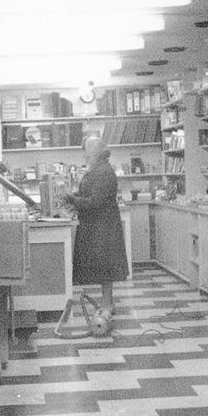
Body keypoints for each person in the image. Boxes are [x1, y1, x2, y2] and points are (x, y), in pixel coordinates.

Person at [64, 133, 128, 313]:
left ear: (99, 152)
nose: (85, 155)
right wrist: (75, 197)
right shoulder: (98, 169)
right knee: (102, 266)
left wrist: (72, 200)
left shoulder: (103, 172)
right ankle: (108, 302)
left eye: (88, 151)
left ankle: (107, 303)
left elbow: (95, 202)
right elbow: (89, 196)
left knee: (105, 266)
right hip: (98, 224)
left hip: (103, 226)